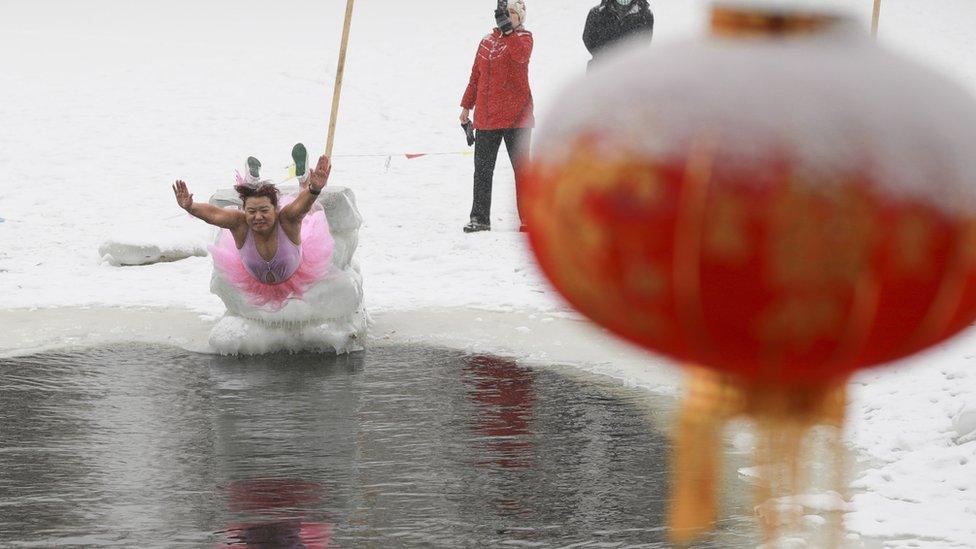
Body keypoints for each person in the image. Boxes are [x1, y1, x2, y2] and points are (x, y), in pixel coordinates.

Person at [172, 144, 334, 309]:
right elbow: (214, 215)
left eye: (264, 211)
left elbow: (302, 206)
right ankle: (251, 183)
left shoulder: (286, 219)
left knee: (309, 215)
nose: (258, 217)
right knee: (254, 212)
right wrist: (190, 207)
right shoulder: (240, 224)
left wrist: (314, 189)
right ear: (245, 211)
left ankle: (304, 180)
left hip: (297, 269)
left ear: (275, 209)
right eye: (251, 211)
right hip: (255, 278)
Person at [459, 0, 534, 233]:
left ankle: (530, 219)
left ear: (520, 18)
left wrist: (509, 32)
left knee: (522, 171)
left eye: (512, 14)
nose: (508, 17)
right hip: (487, 118)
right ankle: (479, 218)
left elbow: (520, 57)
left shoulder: (524, 38)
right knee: (482, 171)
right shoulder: (486, 42)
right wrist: (465, 107)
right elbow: (475, 77)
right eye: (505, 13)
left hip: (517, 118)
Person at [583, 0, 654, 70]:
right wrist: (605, 57)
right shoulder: (596, 13)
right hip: (600, 69)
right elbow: (588, 39)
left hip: (630, 71)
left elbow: (644, 44)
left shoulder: (645, 15)